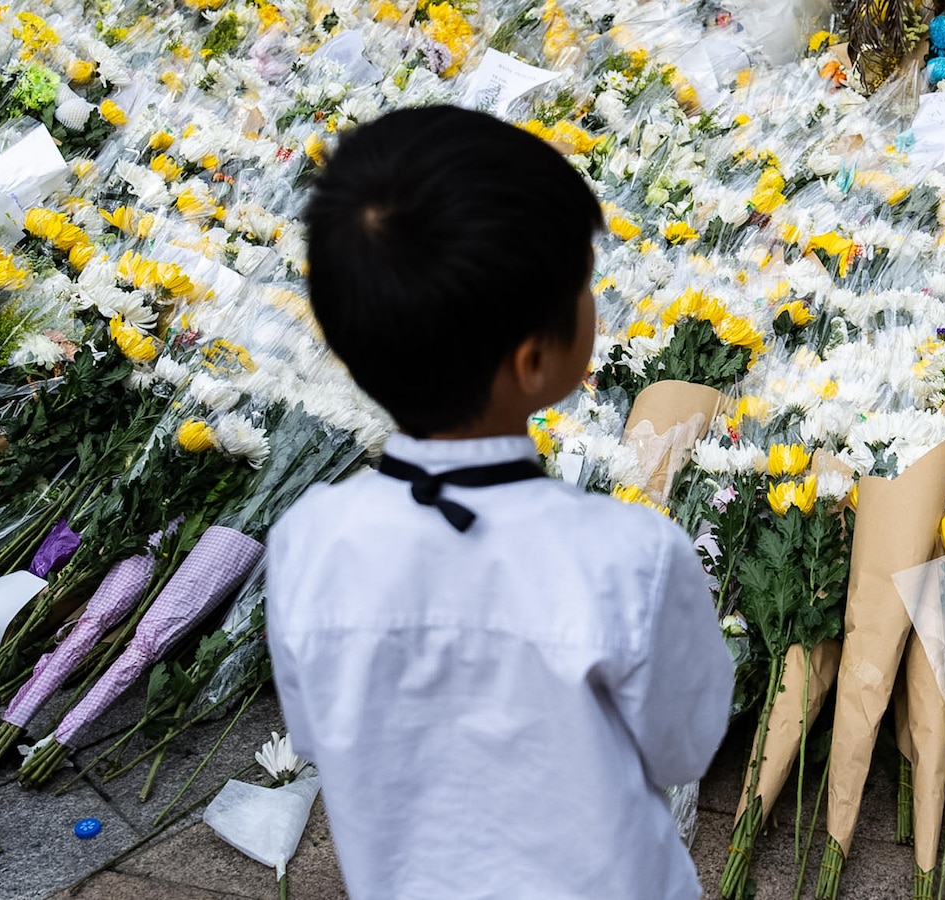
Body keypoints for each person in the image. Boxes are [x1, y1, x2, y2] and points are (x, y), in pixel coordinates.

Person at [268, 106, 733, 900]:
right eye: (583, 284)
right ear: (534, 360)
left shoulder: (311, 538)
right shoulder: (630, 556)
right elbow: (685, 745)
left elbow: (315, 733)